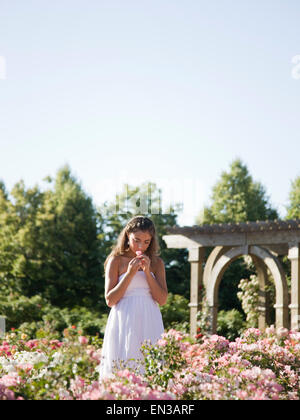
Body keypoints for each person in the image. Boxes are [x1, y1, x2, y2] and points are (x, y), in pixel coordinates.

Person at [98, 215, 168, 381]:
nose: (141, 246)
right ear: (127, 235)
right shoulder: (115, 260)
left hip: (149, 318)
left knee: (150, 369)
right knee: (122, 366)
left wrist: (147, 272)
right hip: (124, 319)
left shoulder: (157, 263)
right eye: (136, 240)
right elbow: (110, 300)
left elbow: (162, 299)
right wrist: (129, 273)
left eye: (146, 242)